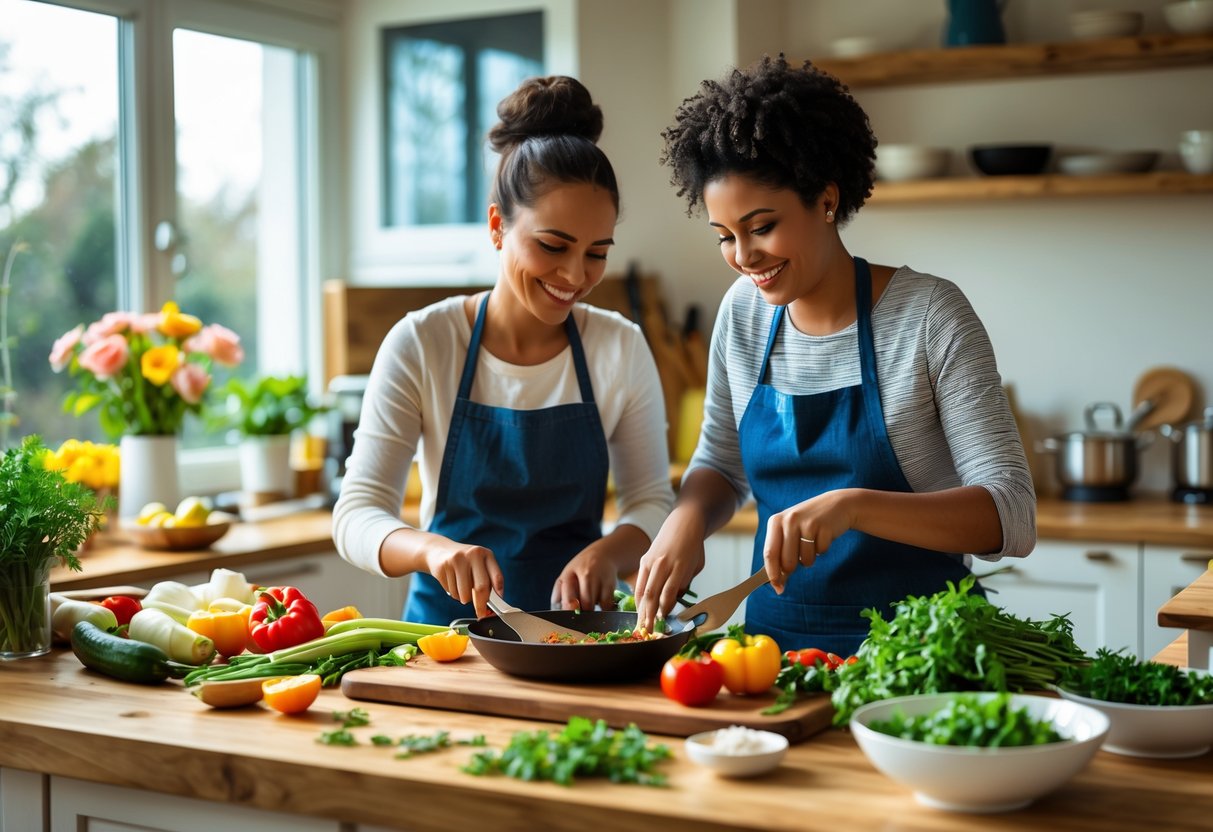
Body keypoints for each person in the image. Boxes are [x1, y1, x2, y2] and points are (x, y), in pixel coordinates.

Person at [634, 55, 1036, 655]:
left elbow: (1012, 514)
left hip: (917, 658)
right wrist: (686, 521)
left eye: (761, 226)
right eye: (724, 236)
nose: (743, 256)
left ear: (826, 200)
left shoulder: (929, 316)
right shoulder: (742, 315)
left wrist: (854, 507)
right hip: (772, 659)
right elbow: (720, 464)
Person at [333, 76, 674, 625]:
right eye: (552, 246)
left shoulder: (619, 346)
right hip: (445, 643)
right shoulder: (423, 342)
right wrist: (433, 551)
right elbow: (355, 515)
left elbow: (654, 501)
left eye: (597, 253)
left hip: (575, 636)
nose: (574, 275)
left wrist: (609, 552)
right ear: (498, 226)